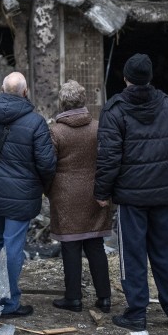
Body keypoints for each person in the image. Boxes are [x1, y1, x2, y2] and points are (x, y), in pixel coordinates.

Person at [95, 53, 168, 331]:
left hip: (131, 198)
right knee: (164, 253)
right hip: (162, 194)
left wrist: (102, 192)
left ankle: (137, 313)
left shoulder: (114, 111)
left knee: (132, 255)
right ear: (150, 78)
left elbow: (108, 157)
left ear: (126, 78)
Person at [0, 71, 56, 318]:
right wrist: (39, 183)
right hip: (22, 193)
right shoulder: (35, 122)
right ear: (25, 92)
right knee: (13, 244)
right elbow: (47, 163)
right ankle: (9, 303)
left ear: (1, 89)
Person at [47, 80, 113, 314]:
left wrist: (48, 190)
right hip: (95, 193)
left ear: (62, 103)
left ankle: (73, 298)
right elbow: (108, 159)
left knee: (71, 246)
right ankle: (104, 297)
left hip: (65, 195)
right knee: (95, 244)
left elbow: (48, 165)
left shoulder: (55, 131)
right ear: (84, 101)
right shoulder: (98, 127)